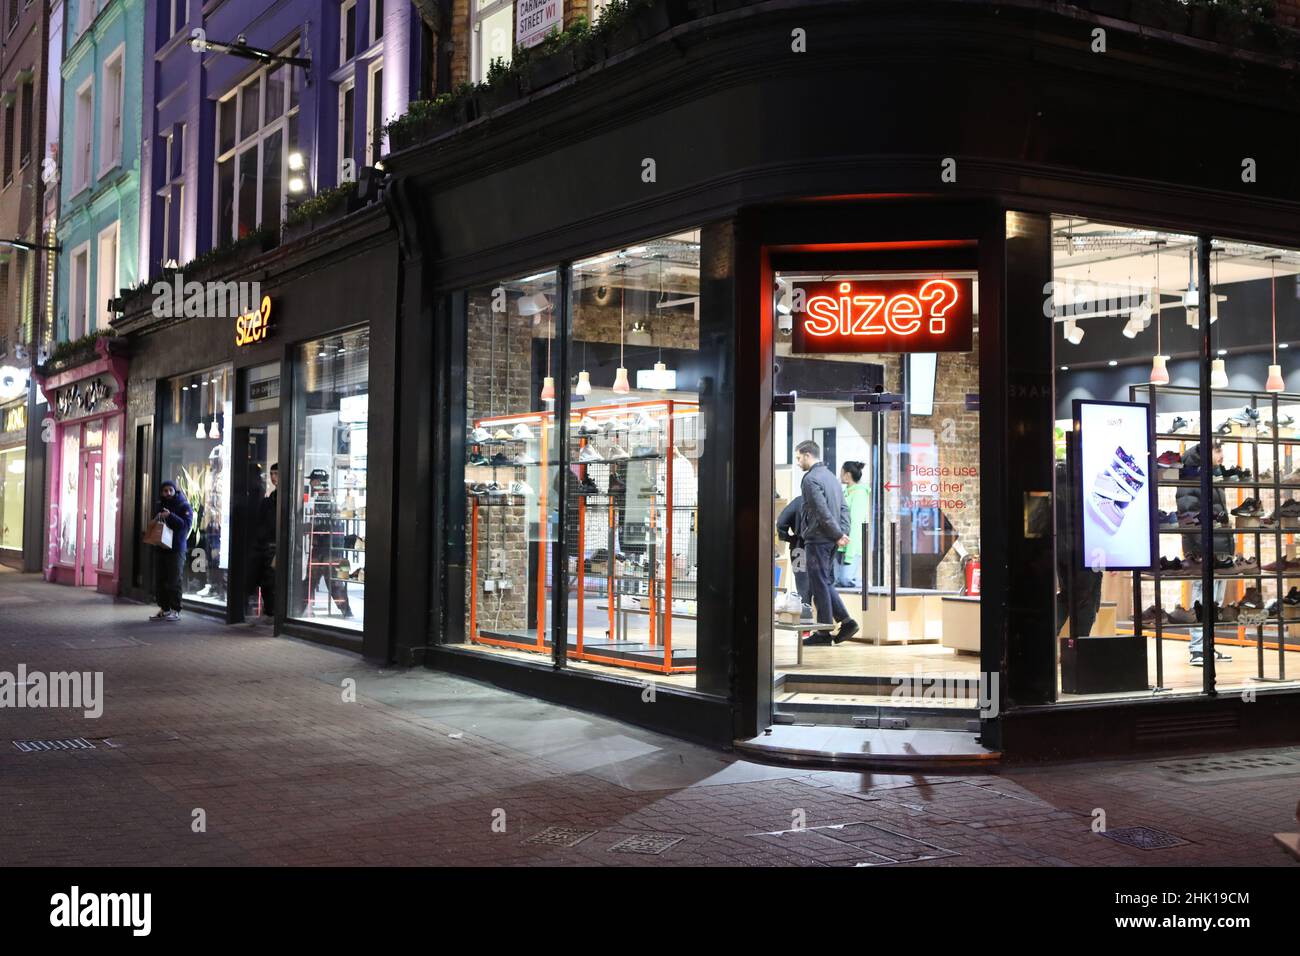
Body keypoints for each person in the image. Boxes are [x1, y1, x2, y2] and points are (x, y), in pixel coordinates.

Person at [795, 439, 859, 645]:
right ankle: (846, 621)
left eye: (798, 457)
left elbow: (820, 511)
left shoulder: (810, 479)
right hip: (830, 539)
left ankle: (823, 632)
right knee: (825, 580)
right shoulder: (831, 478)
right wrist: (841, 533)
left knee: (819, 582)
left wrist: (838, 534)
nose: (797, 462)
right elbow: (844, 509)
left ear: (807, 455)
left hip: (818, 538)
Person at [1178, 442, 1232, 666]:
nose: (1221, 455)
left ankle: (1208, 646)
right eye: (1218, 451)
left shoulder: (1212, 475)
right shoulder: (1191, 476)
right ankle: (1197, 649)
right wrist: (1201, 549)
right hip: (1203, 548)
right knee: (1201, 597)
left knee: (1215, 600)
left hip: (1219, 547)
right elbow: (1189, 513)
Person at [301, 468, 353, 618]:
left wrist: (312, 529)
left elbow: (328, 524)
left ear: (318, 482)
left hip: (327, 548)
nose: (310, 484)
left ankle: (346, 610)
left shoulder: (326, 499)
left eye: (312, 481)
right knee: (317, 581)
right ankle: (298, 608)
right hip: (326, 548)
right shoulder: (323, 498)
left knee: (328, 582)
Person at [151, 480, 193, 622]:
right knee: (161, 580)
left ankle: (176, 610)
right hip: (161, 548)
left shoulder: (184, 505)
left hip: (176, 550)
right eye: (165, 491)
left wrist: (171, 516)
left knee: (174, 580)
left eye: (170, 490)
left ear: (175, 491)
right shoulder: (159, 505)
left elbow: (186, 525)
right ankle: (165, 609)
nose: (168, 493)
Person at [248, 463, 278, 621]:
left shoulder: (280, 497)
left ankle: (272, 612)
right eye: (272, 474)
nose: (274, 477)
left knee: (271, 580)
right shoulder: (270, 498)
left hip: (275, 544)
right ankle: (270, 612)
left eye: (276, 474)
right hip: (266, 544)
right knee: (266, 580)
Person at [835, 461, 868, 588]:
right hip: (839, 544)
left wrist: (850, 553)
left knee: (845, 579)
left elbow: (856, 524)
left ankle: (867, 586)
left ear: (847, 475)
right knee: (836, 581)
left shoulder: (860, 494)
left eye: (841, 472)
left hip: (851, 544)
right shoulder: (845, 493)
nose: (840, 475)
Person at [776, 494, 809, 603]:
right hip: (821, 549)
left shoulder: (798, 501)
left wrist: (788, 538)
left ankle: (806, 614)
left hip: (799, 547)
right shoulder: (826, 501)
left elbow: (781, 522)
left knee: (802, 583)